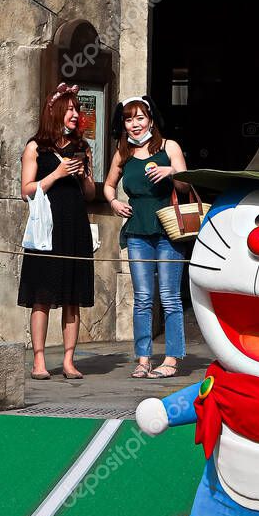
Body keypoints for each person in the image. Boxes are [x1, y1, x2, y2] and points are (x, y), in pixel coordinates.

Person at [103, 96, 188, 379]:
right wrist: (114, 203)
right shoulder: (122, 152)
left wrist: (171, 171)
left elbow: (187, 183)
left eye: (140, 118)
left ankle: (172, 359)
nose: (135, 124)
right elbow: (109, 185)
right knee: (142, 297)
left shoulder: (168, 146)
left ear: (150, 119)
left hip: (168, 229)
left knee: (169, 297)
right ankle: (143, 359)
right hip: (137, 229)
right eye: (129, 119)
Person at [18, 82, 95, 380]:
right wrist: (57, 173)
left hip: (74, 225)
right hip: (46, 228)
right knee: (42, 295)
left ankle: (68, 360)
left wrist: (84, 174)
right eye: (70, 109)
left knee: (73, 296)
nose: (75, 114)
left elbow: (89, 193)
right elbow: (26, 190)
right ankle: (38, 361)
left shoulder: (81, 147)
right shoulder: (36, 146)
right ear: (55, 112)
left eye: (77, 109)